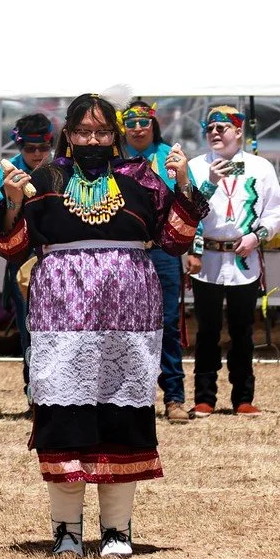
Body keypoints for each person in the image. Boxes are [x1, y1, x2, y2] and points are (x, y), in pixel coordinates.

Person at [0, 94, 204, 558]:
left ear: (115, 135)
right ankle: (67, 531)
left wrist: (185, 181)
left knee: (122, 413)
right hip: (62, 311)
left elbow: (174, 240)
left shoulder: (141, 178)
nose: (93, 140)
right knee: (64, 413)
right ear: (68, 134)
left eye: (102, 132)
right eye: (84, 132)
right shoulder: (45, 179)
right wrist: (10, 202)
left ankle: (117, 531)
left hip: (128, 311)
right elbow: (10, 248)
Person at [184, 106, 280, 417]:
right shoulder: (195, 166)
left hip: (244, 261)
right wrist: (210, 182)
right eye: (210, 127)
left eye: (222, 127)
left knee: (242, 330)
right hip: (208, 260)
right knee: (207, 330)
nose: (215, 133)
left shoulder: (259, 167)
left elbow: (275, 210)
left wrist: (257, 236)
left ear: (239, 132)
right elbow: (187, 210)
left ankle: (243, 397)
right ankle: (204, 397)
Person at [0, 113, 54, 406]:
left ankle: (64, 395)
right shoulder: (5, 175)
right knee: (30, 329)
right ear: (20, 147)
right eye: (30, 149)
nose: (37, 154)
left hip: (61, 258)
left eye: (42, 148)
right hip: (24, 262)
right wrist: (4, 238)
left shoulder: (62, 170)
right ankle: (36, 397)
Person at [120, 100, 188, 424]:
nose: (136, 128)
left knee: (168, 324)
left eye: (142, 121)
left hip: (163, 248)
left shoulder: (170, 156)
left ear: (153, 122)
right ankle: (132, 397)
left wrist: (196, 249)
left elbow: (189, 200)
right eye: (130, 122)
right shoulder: (114, 159)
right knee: (127, 324)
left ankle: (174, 397)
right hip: (124, 248)